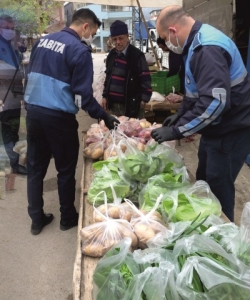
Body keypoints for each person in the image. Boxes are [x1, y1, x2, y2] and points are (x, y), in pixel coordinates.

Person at [23, 8, 119, 235]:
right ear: (85, 26)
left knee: (36, 169)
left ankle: (36, 220)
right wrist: (104, 116)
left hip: (34, 113)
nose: (91, 37)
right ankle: (67, 217)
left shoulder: (41, 43)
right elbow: (82, 96)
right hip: (58, 118)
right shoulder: (78, 50)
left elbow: (29, 76)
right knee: (65, 169)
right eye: (93, 32)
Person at [151, 6, 250, 222]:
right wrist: (180, 114)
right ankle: (205, 229)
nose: (166, 43)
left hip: (230, 131)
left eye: (164, 38)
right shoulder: (196, 42)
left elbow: (215, 103)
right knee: (204, 183)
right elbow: (197, 91)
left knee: (218, 192)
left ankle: (223, 244)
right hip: (216, 129)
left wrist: (177, 131)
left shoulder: (207, 49)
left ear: (173, 31)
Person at [0, 15, 27, 174]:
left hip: (16, 94)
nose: (10, 31)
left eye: (12, 28)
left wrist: (21, 55)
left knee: (13, 128)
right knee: (7, 129)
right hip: (3, 94)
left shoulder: (13, 46)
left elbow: (17, 67)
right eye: (7, 28)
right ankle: (10, 164)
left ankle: (12, 162)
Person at [101, 20, 152, 119]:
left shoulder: (137, 55)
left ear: (127, 36)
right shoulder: (112, 55)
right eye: (115, 39)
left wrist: (143, 100)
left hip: (132, 107)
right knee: (115, 133)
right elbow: (108, 78)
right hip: (114, 107)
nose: (118, 42)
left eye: (121, 38)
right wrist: (104, 96)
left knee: (134, 133)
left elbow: (146, 79)